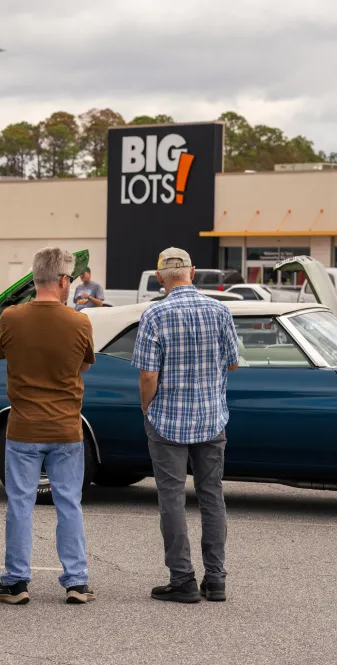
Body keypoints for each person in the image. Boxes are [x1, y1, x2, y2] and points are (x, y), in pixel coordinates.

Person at [0, 247, 97, 606]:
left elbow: (4, 356)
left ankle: (16, 582)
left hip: (23, 427)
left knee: (19, 503)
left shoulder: (11, 317)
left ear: (35, 279)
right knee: (70, 503)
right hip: (66, 428)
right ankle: (77, 582)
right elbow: (83, 367)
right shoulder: (80, 322)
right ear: (65, 281)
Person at [131, 247, 239, 604]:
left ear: (160, 277)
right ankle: (217, 579)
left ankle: (183, 579)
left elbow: (148, 375)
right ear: (192, 272)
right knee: (212, 496)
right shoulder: (220, 310)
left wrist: (147, 408)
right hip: (211, 418)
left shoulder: (155, 314)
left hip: (168, 421)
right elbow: (233, 363)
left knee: (172, 499)